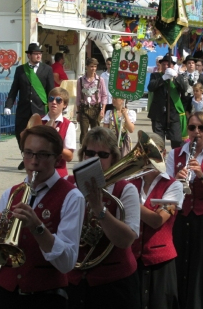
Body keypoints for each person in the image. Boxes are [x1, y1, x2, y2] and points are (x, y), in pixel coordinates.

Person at [0, 126, 85, 309]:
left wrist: (38, 228)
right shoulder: (11, 193)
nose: (34, 162)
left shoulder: (72, 196)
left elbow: (67, 262)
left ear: (57, 159)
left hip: (47, 297)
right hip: (7, 292)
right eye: (28, 153)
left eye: (42, 155)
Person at [67, 127, 141, 309]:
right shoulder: (68, 185)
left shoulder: (126, 189)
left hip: (115, 284)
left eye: (102, 155)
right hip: (74, 279)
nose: (95, 159)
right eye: (90, 153)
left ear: (113, 157)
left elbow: (127, 240)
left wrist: (99, 209)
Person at [167, 112, 203, 309]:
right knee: (180, 265)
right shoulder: (174, 154)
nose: (196, 132)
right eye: (192, 128)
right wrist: (176, 180)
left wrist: (202, 175)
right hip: (180, 216)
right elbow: (164, 191)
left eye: (201, 128)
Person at [131, 133, 183, 309]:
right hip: (132, 258)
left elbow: (158, 220)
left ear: (164, 153)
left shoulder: (174, 185)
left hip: (160, 261)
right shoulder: (130, 183)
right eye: (143, 152)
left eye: (153, 152)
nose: (148, 158)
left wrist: (130, 202)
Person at [4, 43, 54, 171]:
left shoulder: (47, 69)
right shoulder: (20, 70)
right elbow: (14, 89)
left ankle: (37, 160)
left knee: (39, 136)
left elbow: (51, 91)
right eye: (36, 54)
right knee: (20, 134)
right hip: (23, 109)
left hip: (39, 109)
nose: (38, 56)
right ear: (29, 55)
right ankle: (25, 156)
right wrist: (8, 105)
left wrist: (53, 108)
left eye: (40, 53)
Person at [148, 54, 187, 149]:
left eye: (168, 65)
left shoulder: (178, 77)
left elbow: (184, 88)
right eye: (164, 64)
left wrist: (176, 77)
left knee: (177, 141)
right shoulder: (155, 76)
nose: (166, 66)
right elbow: (151, 87)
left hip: (173, 114)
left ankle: (175, 158)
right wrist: (163, 78)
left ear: (173, 66)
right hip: (158, 114)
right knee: (158, 143)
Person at [42, 87, 77, 177]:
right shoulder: (39, 121)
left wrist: (53, 143)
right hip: (39, 170)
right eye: (51, 99)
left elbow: (69, 157)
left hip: (58, 173)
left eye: (58, 100)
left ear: (65, 105)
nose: (54, 102)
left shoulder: (69, 125)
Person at [76, 57, 108, 143]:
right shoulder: (80, 80)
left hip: (96, 108)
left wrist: (103, 110)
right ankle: (84, 149)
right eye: (91, 66)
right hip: (84, 108)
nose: (93, 68)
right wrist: (78, 112)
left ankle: (95, 148)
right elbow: (78, 97)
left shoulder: (100, 80)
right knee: (84, 132)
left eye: (95, 66)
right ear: (86, 66)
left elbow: (104, 95)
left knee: (96, 132)